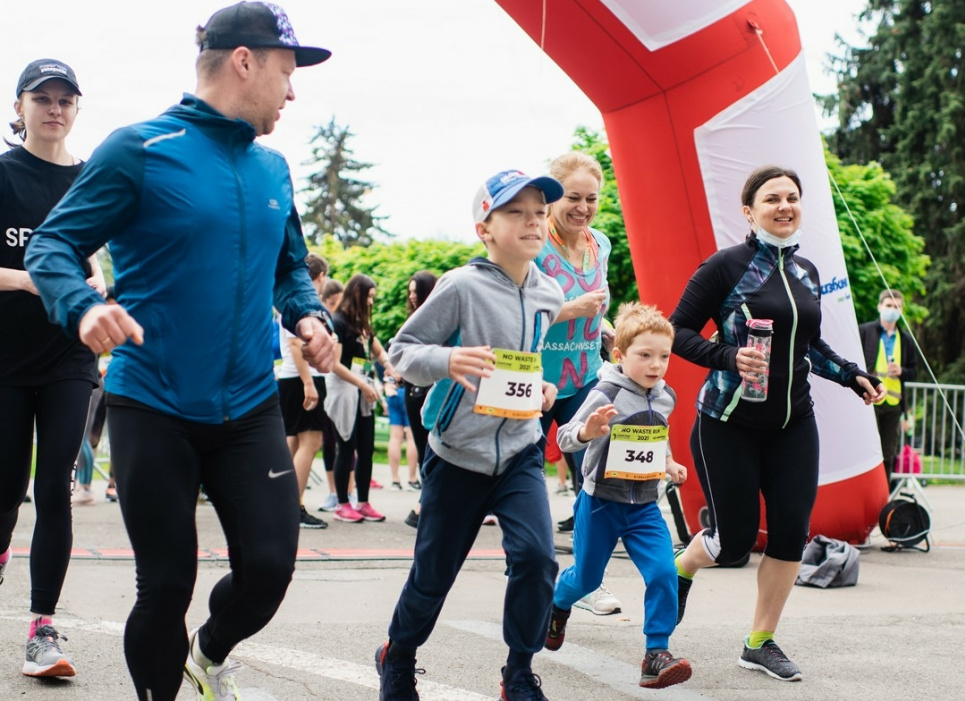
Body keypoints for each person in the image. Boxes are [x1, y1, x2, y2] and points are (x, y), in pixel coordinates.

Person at [24, 4, 336, 700]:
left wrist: (309, 314)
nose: (293, 91)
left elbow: (289, 269)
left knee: (270, 566)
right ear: (244, 60)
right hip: (153, 401)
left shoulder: (273, 168)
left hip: (249, 402)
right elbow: (51, 245)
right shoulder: (139, 148)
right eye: (286, 72)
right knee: (165, 583)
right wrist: (81, 306)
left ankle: (211, 652)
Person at [669, 165, 885, 682]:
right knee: (735, 541)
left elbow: (810, 346)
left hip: (794, 422)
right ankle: (681, 568)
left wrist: (851, 374)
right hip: (728, 421)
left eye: (792, 197)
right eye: (772, 199)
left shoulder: (807, 271)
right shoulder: (725, 268)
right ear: (749, 211)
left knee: (791, 533)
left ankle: (759, 641)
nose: (784, 206)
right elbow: (675, 331)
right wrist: (728, 357)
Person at [376, 169, 565, 701]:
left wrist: (540, 388)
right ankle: (398, 656)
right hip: (457, 453)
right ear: (485, 228)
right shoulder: (460, 285)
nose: (532, 220)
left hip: (521, 452)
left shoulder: (548, 292)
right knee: (434, 574)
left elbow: (519, 365)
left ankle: (519, 673)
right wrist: (447, 358)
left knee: (536, 558)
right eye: (515, 212)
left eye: (538, 212)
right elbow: (402, 353)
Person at [0, 57, 106, 679]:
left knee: (54, 493)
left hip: (69, 357)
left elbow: (100, 263)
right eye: (42, 98)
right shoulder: (4, 174)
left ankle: (42, 630)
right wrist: (33, 279)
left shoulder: (93, 180)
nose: (55, 108)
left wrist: (101, 291)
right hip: (6, 361)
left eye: (66, 98)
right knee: (6, 493)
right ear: (20, 108)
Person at [546, 303, 692, 690]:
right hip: (601, 503)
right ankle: (558, 604)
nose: (655, 365)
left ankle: (655, 654)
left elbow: (655, 436)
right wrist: (588, 432)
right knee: (587, 579)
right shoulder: (605, 391)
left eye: (663, 356)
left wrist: (669, 462)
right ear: (619, 355)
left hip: (644, 505)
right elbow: (564, 437)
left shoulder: (666, 397)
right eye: (644, 355)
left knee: (663, 573)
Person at [535, 151, 621, 616]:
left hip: (585, 376)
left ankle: (587, 580)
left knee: (596, 477)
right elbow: (519, 307)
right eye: (572, 197)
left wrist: (609, 331)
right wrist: (571, 310)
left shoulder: (600, 244)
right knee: (525, 479)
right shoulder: (534, 244)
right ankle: (526, 572)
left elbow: (598, 305)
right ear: (551, 197)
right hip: (533, 378)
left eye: (591, 198)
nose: (582, 207)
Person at [325, 274, 391, 523]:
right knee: (347, 446)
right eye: (369, 296)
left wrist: (389, 366)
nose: (372, 302)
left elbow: (376, 348)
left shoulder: (361, 322)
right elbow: (334, 364)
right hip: (344, 389)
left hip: (363, 390)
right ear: (357, 295)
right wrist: (362, 384)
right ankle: (342, 504)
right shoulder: (338, 321)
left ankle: (363, 502)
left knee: (366, 447)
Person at [276, 252, 331, 528]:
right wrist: (309, 383)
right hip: (302, 378)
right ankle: (293, 506)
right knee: (309, 443)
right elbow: (298, 345)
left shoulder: (288, 301)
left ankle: (280, 503)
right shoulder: (304, 305)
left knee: (293, 442)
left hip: (291, 377)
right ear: (319, 278)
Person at [858, 289, 917, 490]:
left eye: (897, 306)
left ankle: (883, 496)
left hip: (893, 403)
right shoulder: (865, 331)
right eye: (890, 305)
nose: (893, 310)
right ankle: (863, 492)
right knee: (865, 450)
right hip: (869, 399)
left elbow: (914, 372)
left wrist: (902, 371)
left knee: (887, 453)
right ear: (880, 306)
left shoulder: (906, 339)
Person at [399, 271, 437, 528]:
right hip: (412, 392)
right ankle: (427, 503)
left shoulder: (438, 319)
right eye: (410, 292)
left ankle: (426, 504)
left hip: (432, 392)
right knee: (425, 449)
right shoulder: (413, 320)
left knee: (434, 450)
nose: (412, 297)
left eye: (416, 292)